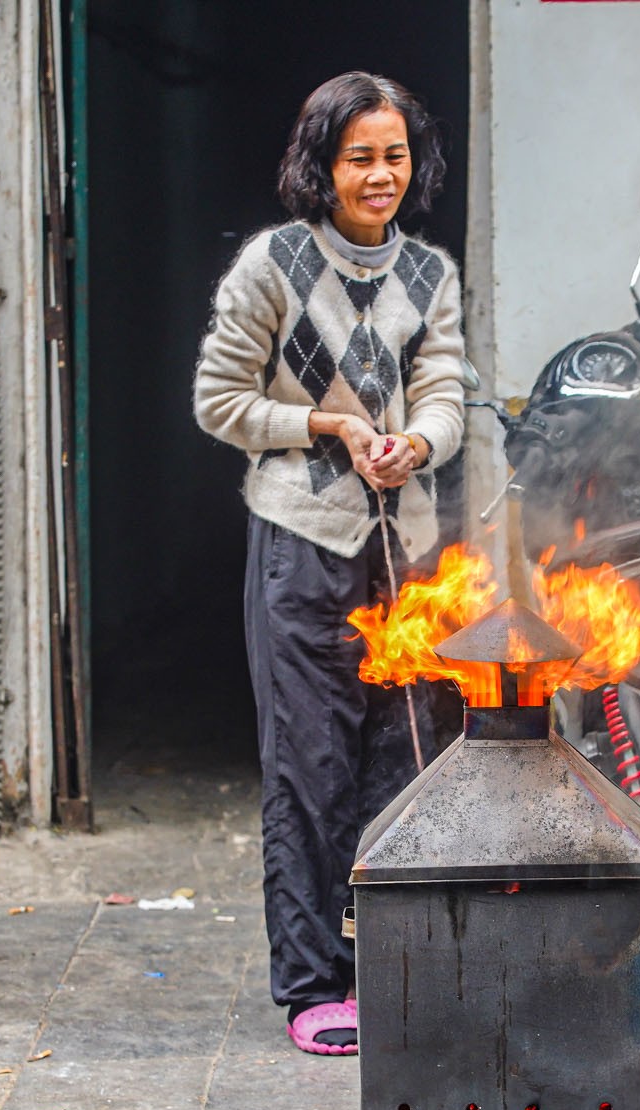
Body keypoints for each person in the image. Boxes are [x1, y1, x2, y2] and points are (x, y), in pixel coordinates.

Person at [193, 73, 466, 1055]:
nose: (380, 174)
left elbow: (441, 390)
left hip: (408, 551)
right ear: (322, 165)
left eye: (394, 155)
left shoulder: (429, 276)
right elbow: (219, 402)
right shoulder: (271, 268)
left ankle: (393, 970)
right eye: (359, 157)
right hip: (303, 548)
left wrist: (418, 445)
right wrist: (326, 423)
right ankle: (313, 984)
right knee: (309, 769)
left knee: (406, 765)